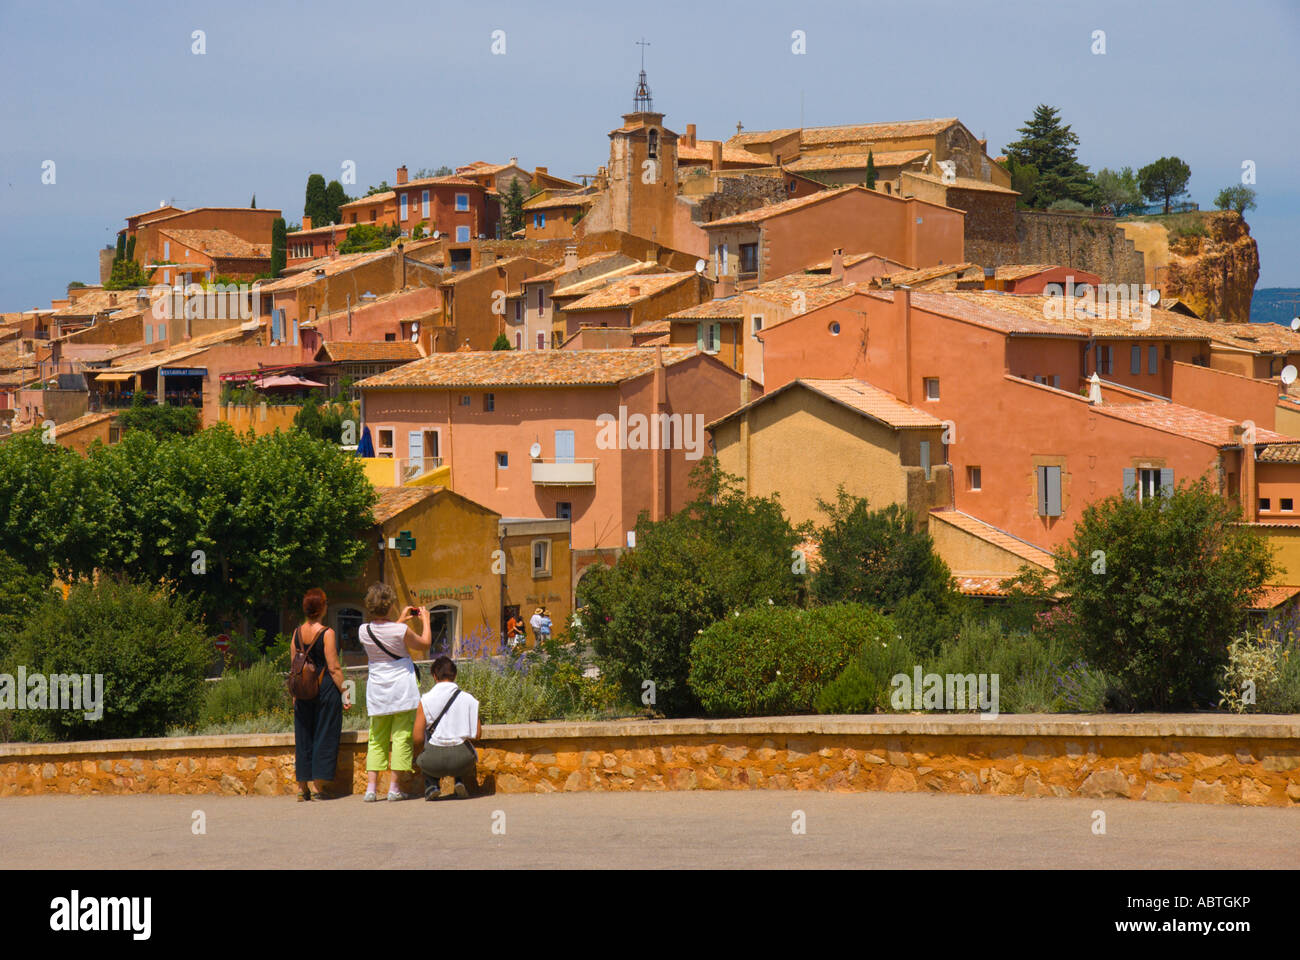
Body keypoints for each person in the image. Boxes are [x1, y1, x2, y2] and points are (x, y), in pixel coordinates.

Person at [359, 583, 430, 802]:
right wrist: (425, 620)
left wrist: (400, 619)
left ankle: (371, 788)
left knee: (376, 738)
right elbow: (424, 643)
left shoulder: (364, 631)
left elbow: (385, 637)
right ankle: (394, 788)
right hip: (402, 689)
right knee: (401, 738)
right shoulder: (400, 630)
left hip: (378, 690)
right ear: (389, 606)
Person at [292, 588, 349, 802]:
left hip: (302, 689)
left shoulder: (296, 632)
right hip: (324, 688)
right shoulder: (327, 633)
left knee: (303, 735)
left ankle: (301, 787)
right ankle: (317, 788)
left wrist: (294, 694)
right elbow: (334, 667)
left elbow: (294, 665)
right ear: (322, 607)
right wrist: (346, 692)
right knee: (324, 733)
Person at [413, 656, 481, 801]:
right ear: (454, 675)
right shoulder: (469, 699)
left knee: (427, 737)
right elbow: (477, 734)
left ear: (434, 675)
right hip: (462, 760)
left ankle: (431, 785)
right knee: (462, 742)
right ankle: (459, 780)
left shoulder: (425, 700)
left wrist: (419, 756)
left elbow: (417, 738)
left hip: (433, 760)